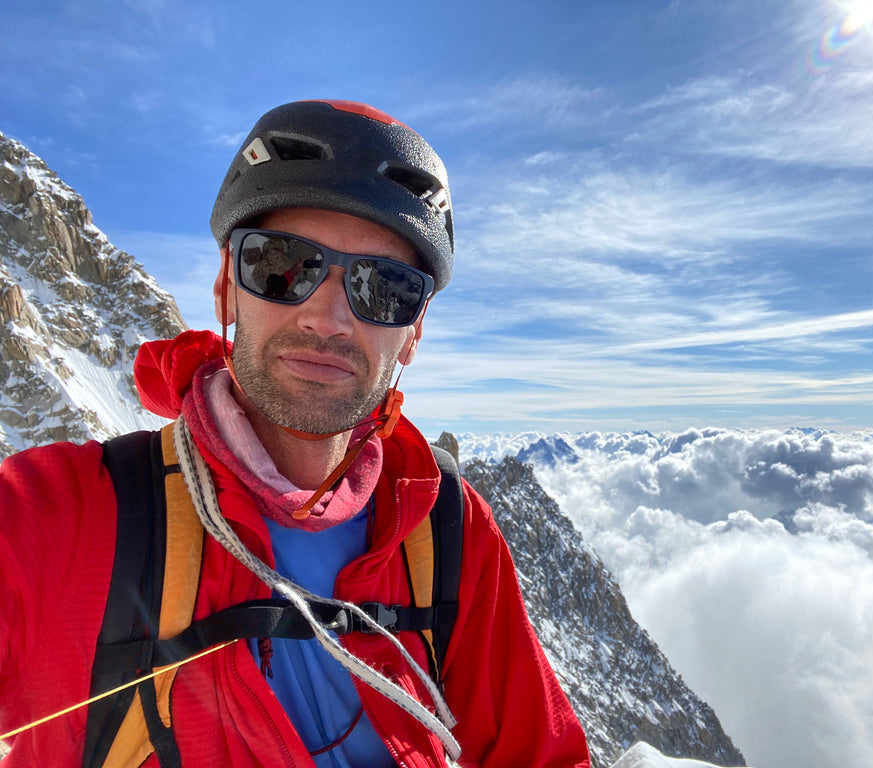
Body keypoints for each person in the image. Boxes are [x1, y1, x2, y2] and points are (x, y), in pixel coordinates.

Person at [0, 100, 590, 767]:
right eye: (283, 265)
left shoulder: (443, 527)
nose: (329, 317)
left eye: (385, 288)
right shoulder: (66, 515)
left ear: (414, 330)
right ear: (227, 288)